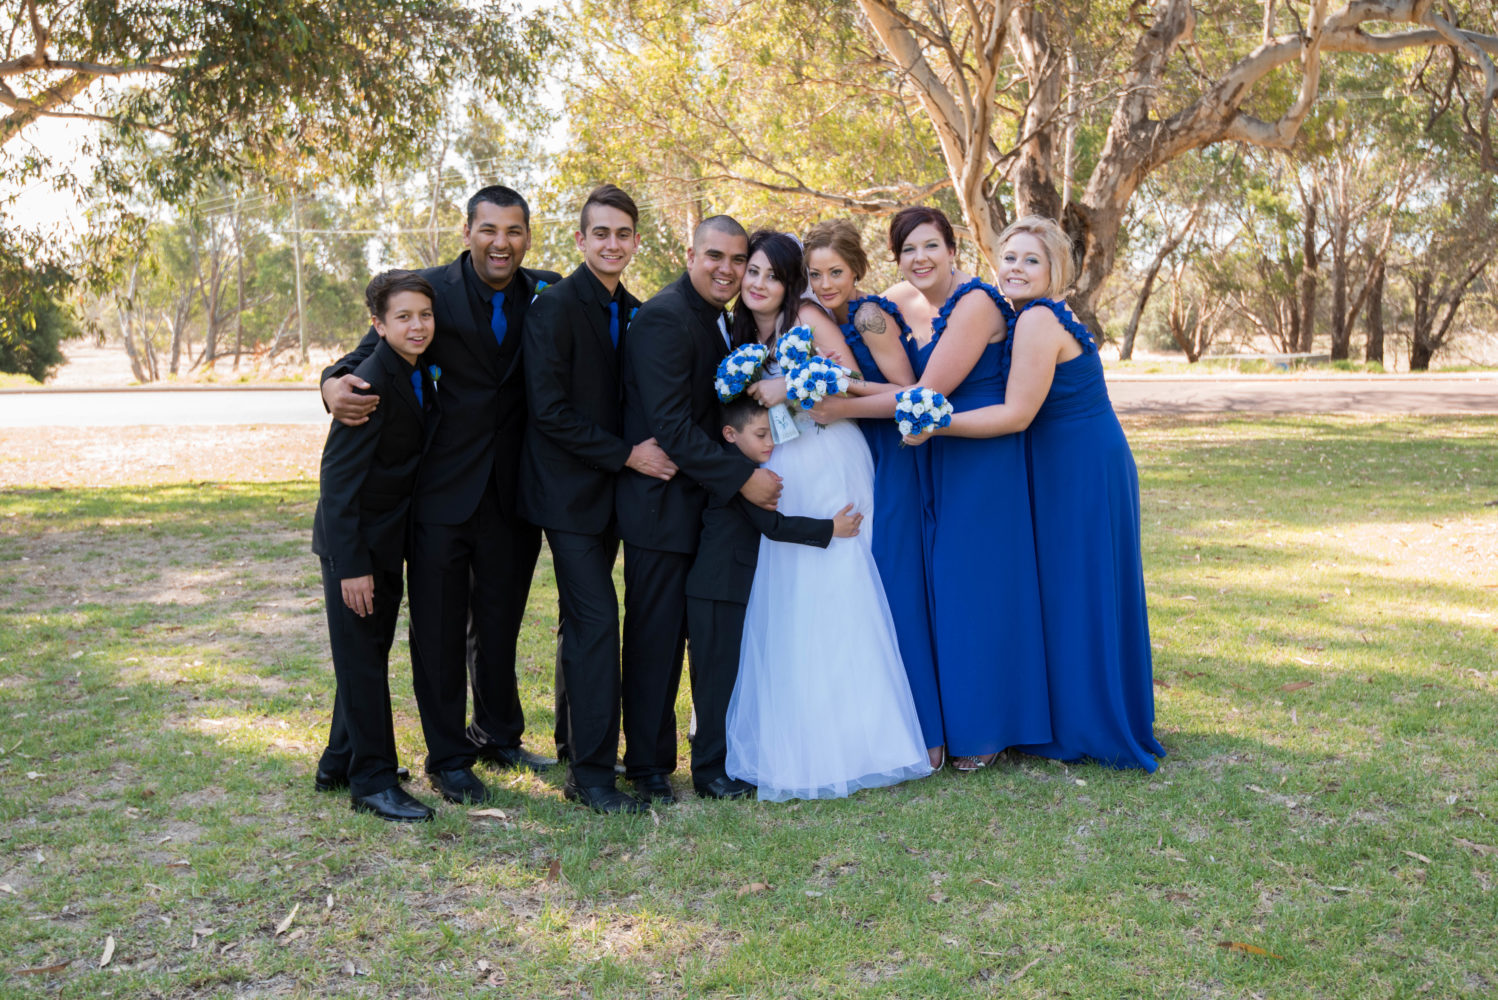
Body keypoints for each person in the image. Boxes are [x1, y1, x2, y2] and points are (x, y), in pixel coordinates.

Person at [320, 186, 561, 805]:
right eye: (489, 229)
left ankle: (499, 733)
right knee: (439, 632)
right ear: (467, 231)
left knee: (501, 624)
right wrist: (329, 386)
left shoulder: (547, 291)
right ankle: (449, 758)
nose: (500, 242)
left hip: (514, 494)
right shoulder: (425, 294)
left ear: (527, 236)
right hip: (438, 499)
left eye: (513, 231)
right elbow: (362, 356)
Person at [904, 216, 1165, 771]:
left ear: (1054, 272)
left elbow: (1017, 414)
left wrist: (934, 422)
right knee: (1072, 588)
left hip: (1078, 467)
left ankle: (1087, 722)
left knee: (1080, 587)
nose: (1016, 269)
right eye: (1010, 257)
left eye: (1031, 261)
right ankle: (1080, 711)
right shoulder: (1030, 315)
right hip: (1070, 461)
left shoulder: (1038, 319)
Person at [727, 227, 932, 801]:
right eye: (753, 272)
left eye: (773, 274)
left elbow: (848, 381)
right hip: (780, 459)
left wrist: (790, 386)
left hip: (826, 455)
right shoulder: (740, 332)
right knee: (785, 586)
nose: (760, 283)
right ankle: (786, 737)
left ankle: (859, 739)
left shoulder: (809, 318)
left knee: (837, 583)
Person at [518, 185, 679, 813]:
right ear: (581, 240)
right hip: (569, 494)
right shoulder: (553, 309)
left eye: (624, 234)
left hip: (624, 496)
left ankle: (574, 741)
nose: (613, 244)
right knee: (595, 622)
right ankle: (590, 776)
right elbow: (549, 410)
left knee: (585, 623)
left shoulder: (638, 310)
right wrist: (627, 454)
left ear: (636, 242)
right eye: (601, 234)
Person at [616, 215, 782, 802]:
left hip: (708, 516)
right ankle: (648, 768)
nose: (728, 269)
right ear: (690, 253)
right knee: (656, 642)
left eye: (738, 261)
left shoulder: (724, 321)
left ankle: (711, 765)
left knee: (712, 645)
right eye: (716, 256)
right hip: (661, 510)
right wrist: (743, 480)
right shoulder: (663, 317)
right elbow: (673, 427)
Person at [883, 206, 1050, 772]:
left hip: (982, 459)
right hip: (942, 456)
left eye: (931, 246)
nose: (920, 258)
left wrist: (828, 394)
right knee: (952, 588)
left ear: (954, 250)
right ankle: (965, 722)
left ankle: (984, 730)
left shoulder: (977, 303)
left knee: (972, 587)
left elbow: (924, 395)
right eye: (908, 250)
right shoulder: (910, 303)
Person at [775, 220, 944, 769]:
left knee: (895, 578)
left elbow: (909, 393)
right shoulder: (823, 316)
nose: (825, 283)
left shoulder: (870, 316)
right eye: (816, 273)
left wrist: (838, 391)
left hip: (894, 450)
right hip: (861, 447)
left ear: (858, 272)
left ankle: (928, 732)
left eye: (836, 273)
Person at [311, 270, 442, 822]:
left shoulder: (415, 370)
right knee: (363, 660)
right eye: (403, 317)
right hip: (357, 549)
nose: (417, 326)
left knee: (365, 654)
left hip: (390, 540)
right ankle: (372, 780)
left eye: (425, 315)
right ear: (377, 326)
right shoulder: (366, 383)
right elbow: (337, 481)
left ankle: (339, 761)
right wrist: (351, 567)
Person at [686, 395, 861, 797]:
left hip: (728, 589)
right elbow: (773, 526)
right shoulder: (738, 476)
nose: (770, 443)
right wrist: (829, 528)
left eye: (772, 433)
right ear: (730, 434)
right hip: (716, 589)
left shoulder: (749, 468)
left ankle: (721, 762)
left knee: (726, 677)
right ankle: (707, 773)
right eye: (761, 434)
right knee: (715, 681)